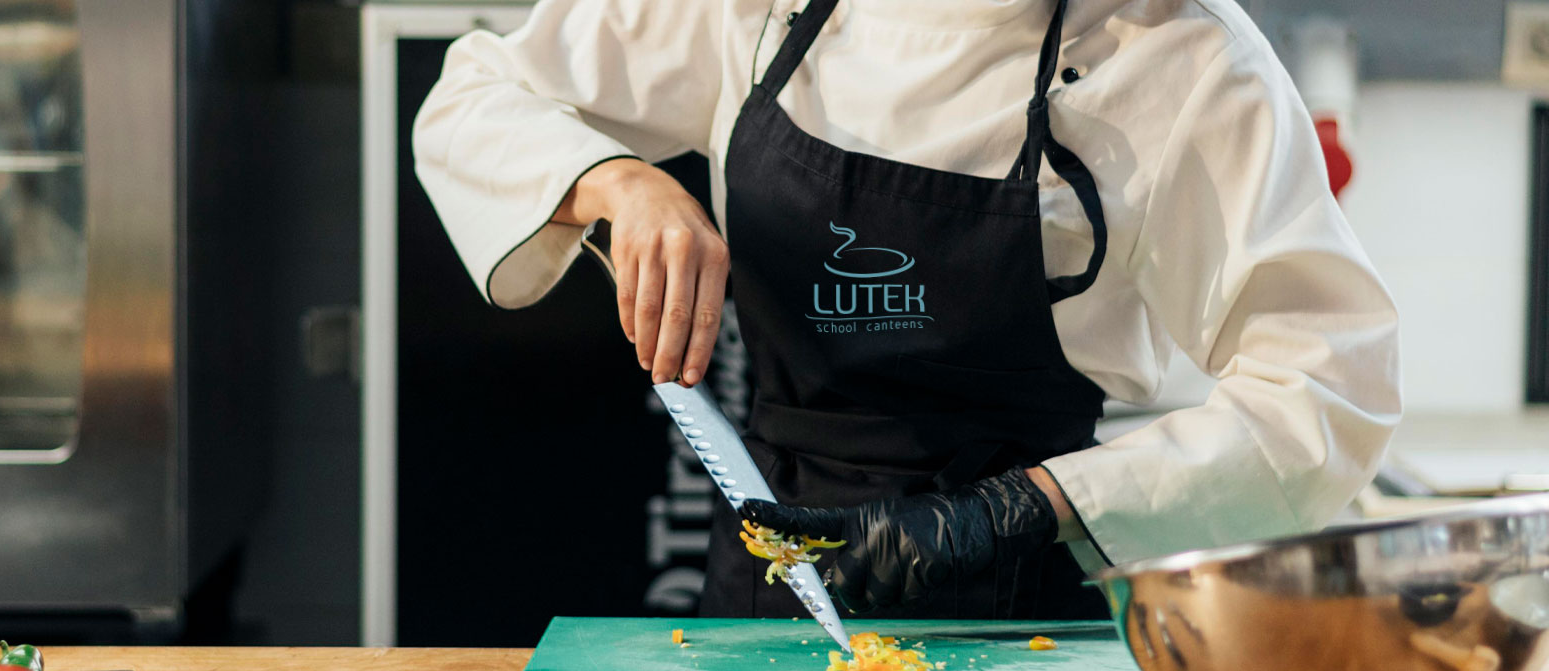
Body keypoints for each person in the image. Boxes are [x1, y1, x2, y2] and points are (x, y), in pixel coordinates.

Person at [413, 0, 1399, 619]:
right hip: (770, 592)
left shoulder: (1182, 58)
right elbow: (473, 93)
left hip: (1034, 609)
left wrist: (1025, 508)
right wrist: (618, 181)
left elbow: (1328, 390)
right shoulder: (753, 9)